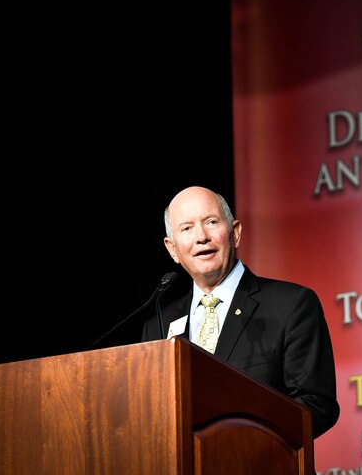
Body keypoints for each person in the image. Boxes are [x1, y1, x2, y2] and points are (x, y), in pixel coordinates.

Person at [141, 186, 340, 438]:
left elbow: (316, 404)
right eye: (187, 228)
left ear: (235, 233)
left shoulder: (291, 304)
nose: (201, 237)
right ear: (172, 249)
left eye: (211, 222)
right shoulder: (158, 324)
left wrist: (239, 439)